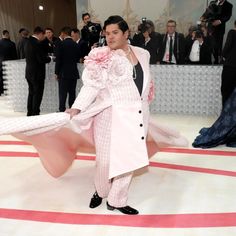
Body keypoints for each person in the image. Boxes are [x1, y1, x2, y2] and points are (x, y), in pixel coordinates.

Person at [0, 16, 187, 215]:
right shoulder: (101, 55)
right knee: (105, 160)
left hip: (137, 116)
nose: (110, 37)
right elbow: (91, 86)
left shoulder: (143, 53)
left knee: (129, 159)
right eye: (107, 33)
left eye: (115, 32)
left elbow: (145, 80)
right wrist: (77, 107)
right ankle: (101, 190)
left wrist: (146, 96)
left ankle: (117, 199)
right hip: (108, 115)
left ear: (126, 34)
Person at [192, 21, 236, 148]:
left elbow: (225, 50)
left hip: (230, 68)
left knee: (227, 97)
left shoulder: (232, 33)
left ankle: (225, 126)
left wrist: (226, 57)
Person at [24, 26, 51, 116]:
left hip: (29, 72)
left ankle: (30, 112)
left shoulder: (27, 41)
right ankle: (35, 113)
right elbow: (41, 59)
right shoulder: (37, 43)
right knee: (37, 94)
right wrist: (49, 58)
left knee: (31, 93)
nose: (44, 37)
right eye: (44, 35)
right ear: (40, 34)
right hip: (37, 74)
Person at [55, 26, 81, 112]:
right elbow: (78, 58)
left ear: (63, 33)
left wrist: (56, 72)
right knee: (72, 92)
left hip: (63, 73)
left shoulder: (60, 44)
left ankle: (62, 110)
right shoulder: (76, 44)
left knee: (62, 93)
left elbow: (58, 59)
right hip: (73, 72)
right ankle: (71, 109)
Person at [0, 30, 17, 95]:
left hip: (0, 62)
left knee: (1, 77)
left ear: (2, 34)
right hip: (9, 63)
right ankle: (8, 91)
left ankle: (1, 91)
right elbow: (14, 56)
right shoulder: (12, 44)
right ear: (8, 34)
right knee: (8, 77)